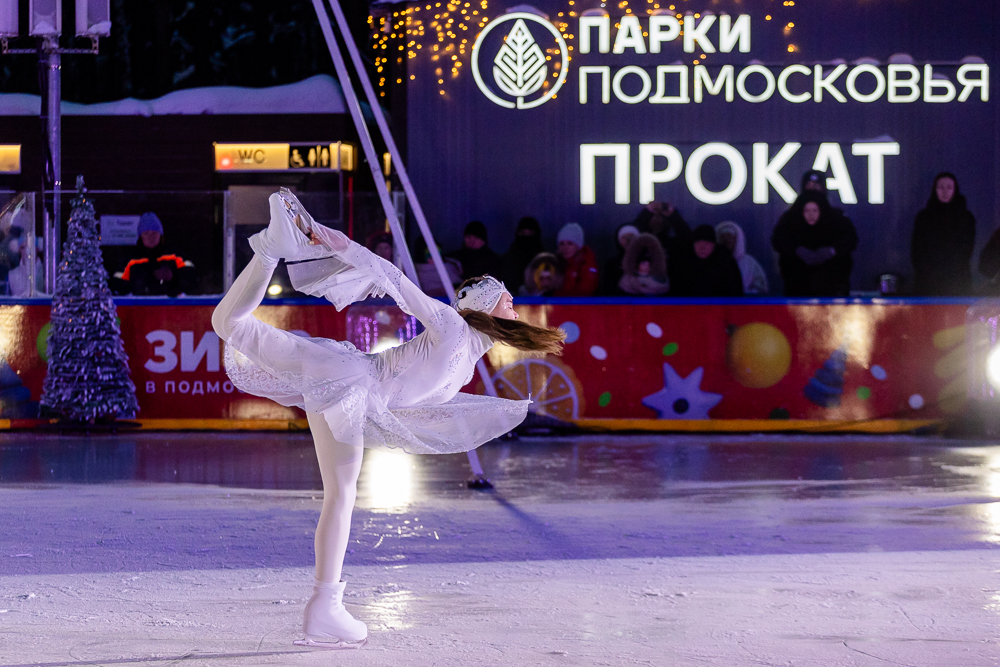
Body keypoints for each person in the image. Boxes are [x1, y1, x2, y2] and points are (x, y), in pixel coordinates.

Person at [212, 189, 564, 648]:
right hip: (349, 380)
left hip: (345, 386)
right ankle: (272, 248)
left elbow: (421, 406)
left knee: (230, 325)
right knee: (231, 327)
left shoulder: (465, 365)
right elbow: (395, 280)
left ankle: (326, 605)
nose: (514, 304)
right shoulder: (453, 326)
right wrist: (338, 244)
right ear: (482, 305)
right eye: (505, 299)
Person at [771, 191, 858, 297]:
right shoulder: (789, 224)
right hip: (797, 291)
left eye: (815, 210)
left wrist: (831, 251)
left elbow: (850, 240)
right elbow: (779, 240)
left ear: (821, 211)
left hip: (832, 292)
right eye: (807, 210)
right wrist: (797, 251)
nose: (811, 215)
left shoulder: (836, 224)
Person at [911, 172, 976, 296]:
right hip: (927, 284)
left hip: (957, 283)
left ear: (955, 189)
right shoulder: (924, 217)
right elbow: (917, 250)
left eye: (949, 187)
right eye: (940, 187)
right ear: (934, 189)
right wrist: (929, 274)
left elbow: (966, 250)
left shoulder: (966, 218)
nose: (944, 191)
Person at [116, 212, 195, 296]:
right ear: (140, 236)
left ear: (160, 235)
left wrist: (173, 277)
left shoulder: (175, 256)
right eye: (146, 233)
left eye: (154, 233)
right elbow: (117, 285)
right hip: (138, 306)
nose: (151, 237)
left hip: (170, 306)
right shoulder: (130, 259)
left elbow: (192, 279)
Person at [633, 201, 691, 288]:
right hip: (641, 292)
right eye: (653, 215)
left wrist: (673, 215)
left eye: (660, 215)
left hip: (672, 291)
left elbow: (687, 237)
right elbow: (632, 234)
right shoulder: (642, 241)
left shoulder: (672, 242)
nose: (657, 218)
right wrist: (646, 212)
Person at [673, 225, 744, 296]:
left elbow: (735, 292)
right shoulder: (683, 264)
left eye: (707, 244)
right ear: (693, 245)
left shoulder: (725, 263)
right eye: (699, 243)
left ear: (714, 245)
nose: (703, 248)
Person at [715, 221, 769, 295]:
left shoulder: (750, 263)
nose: (727, 241)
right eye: (723, 237)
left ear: (737, 240)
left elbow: (761, 288)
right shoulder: (712, 262)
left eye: (730, 238)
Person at [499, 216, 545, 294]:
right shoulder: (508, 258)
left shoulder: (545, 259)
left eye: (530, 233)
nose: (526, 237)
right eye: (523, 233)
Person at [552, 222, 598, 297]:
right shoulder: (553, 264)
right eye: (561, 243)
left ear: (578, 246)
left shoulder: (587, 262)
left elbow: (586, 290)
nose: (565, 248)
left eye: (570, 243)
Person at [618, 232, 669, 296]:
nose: (646, 264)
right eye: (643, 262)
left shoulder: (660, 280)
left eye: (649, 262)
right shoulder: (627, 281)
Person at [601, 223, 639, 296]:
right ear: (619, 241)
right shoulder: (612, 264)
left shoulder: (647, 262)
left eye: (631, 237)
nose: (628, 240)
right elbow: (608, 289)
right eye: (624, 238)